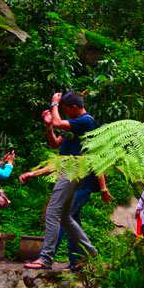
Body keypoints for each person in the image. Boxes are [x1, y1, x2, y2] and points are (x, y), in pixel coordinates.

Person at [24, 92, 111, 270]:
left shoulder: (86, 121)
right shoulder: (75, 128)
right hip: (68, 169)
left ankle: (46, 258)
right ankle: (90, 250)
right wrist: (49, 127)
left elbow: (58, 122)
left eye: (65, 109)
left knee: (52, 212)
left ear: (74, 108)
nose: (63, 113)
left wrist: (54, 104)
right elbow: (55, 143)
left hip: (72, 170)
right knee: (65, 217)